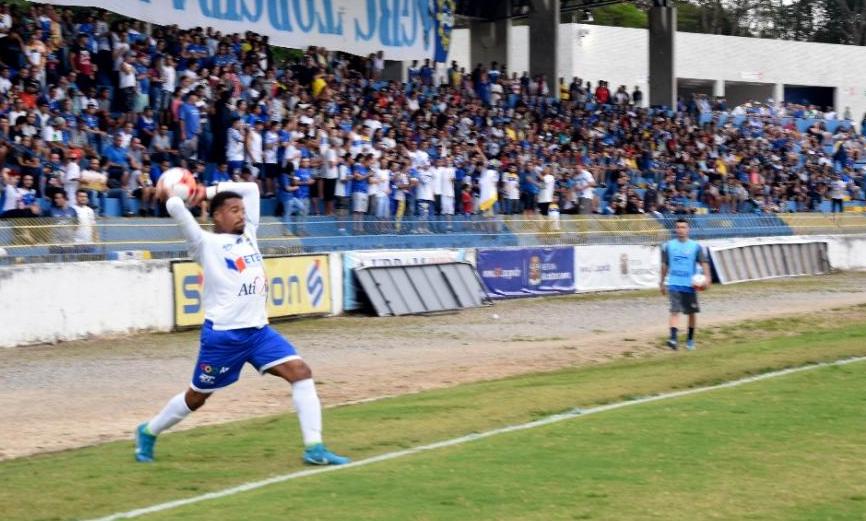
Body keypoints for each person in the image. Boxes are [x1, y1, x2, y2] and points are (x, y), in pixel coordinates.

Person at [135, 179, 349, 466]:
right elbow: (175, 206)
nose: (242, 214)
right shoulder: (204, 243)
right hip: (223, 337)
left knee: (300, 372)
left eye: (242, 210)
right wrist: (177, 194)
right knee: (196, 398)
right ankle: (149, 431)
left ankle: (315, 447)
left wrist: (204, 190)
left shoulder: (249, 234)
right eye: (234, 210)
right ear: (217, 215)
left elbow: (252, 188)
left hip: (259, 332)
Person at [659, 218, 711, 351]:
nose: (680, 230)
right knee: (674, 311)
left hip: (689, 285)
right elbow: (664, 265)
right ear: (675, 229)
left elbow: (703, 262)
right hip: (674, 284)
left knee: (691, 313)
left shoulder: (695, 246)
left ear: (688, 229)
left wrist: (707, 278)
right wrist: (662, 282)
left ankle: (690, 340)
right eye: (678, 227)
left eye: (683, 227)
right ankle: (673, 339)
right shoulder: (669, 246)